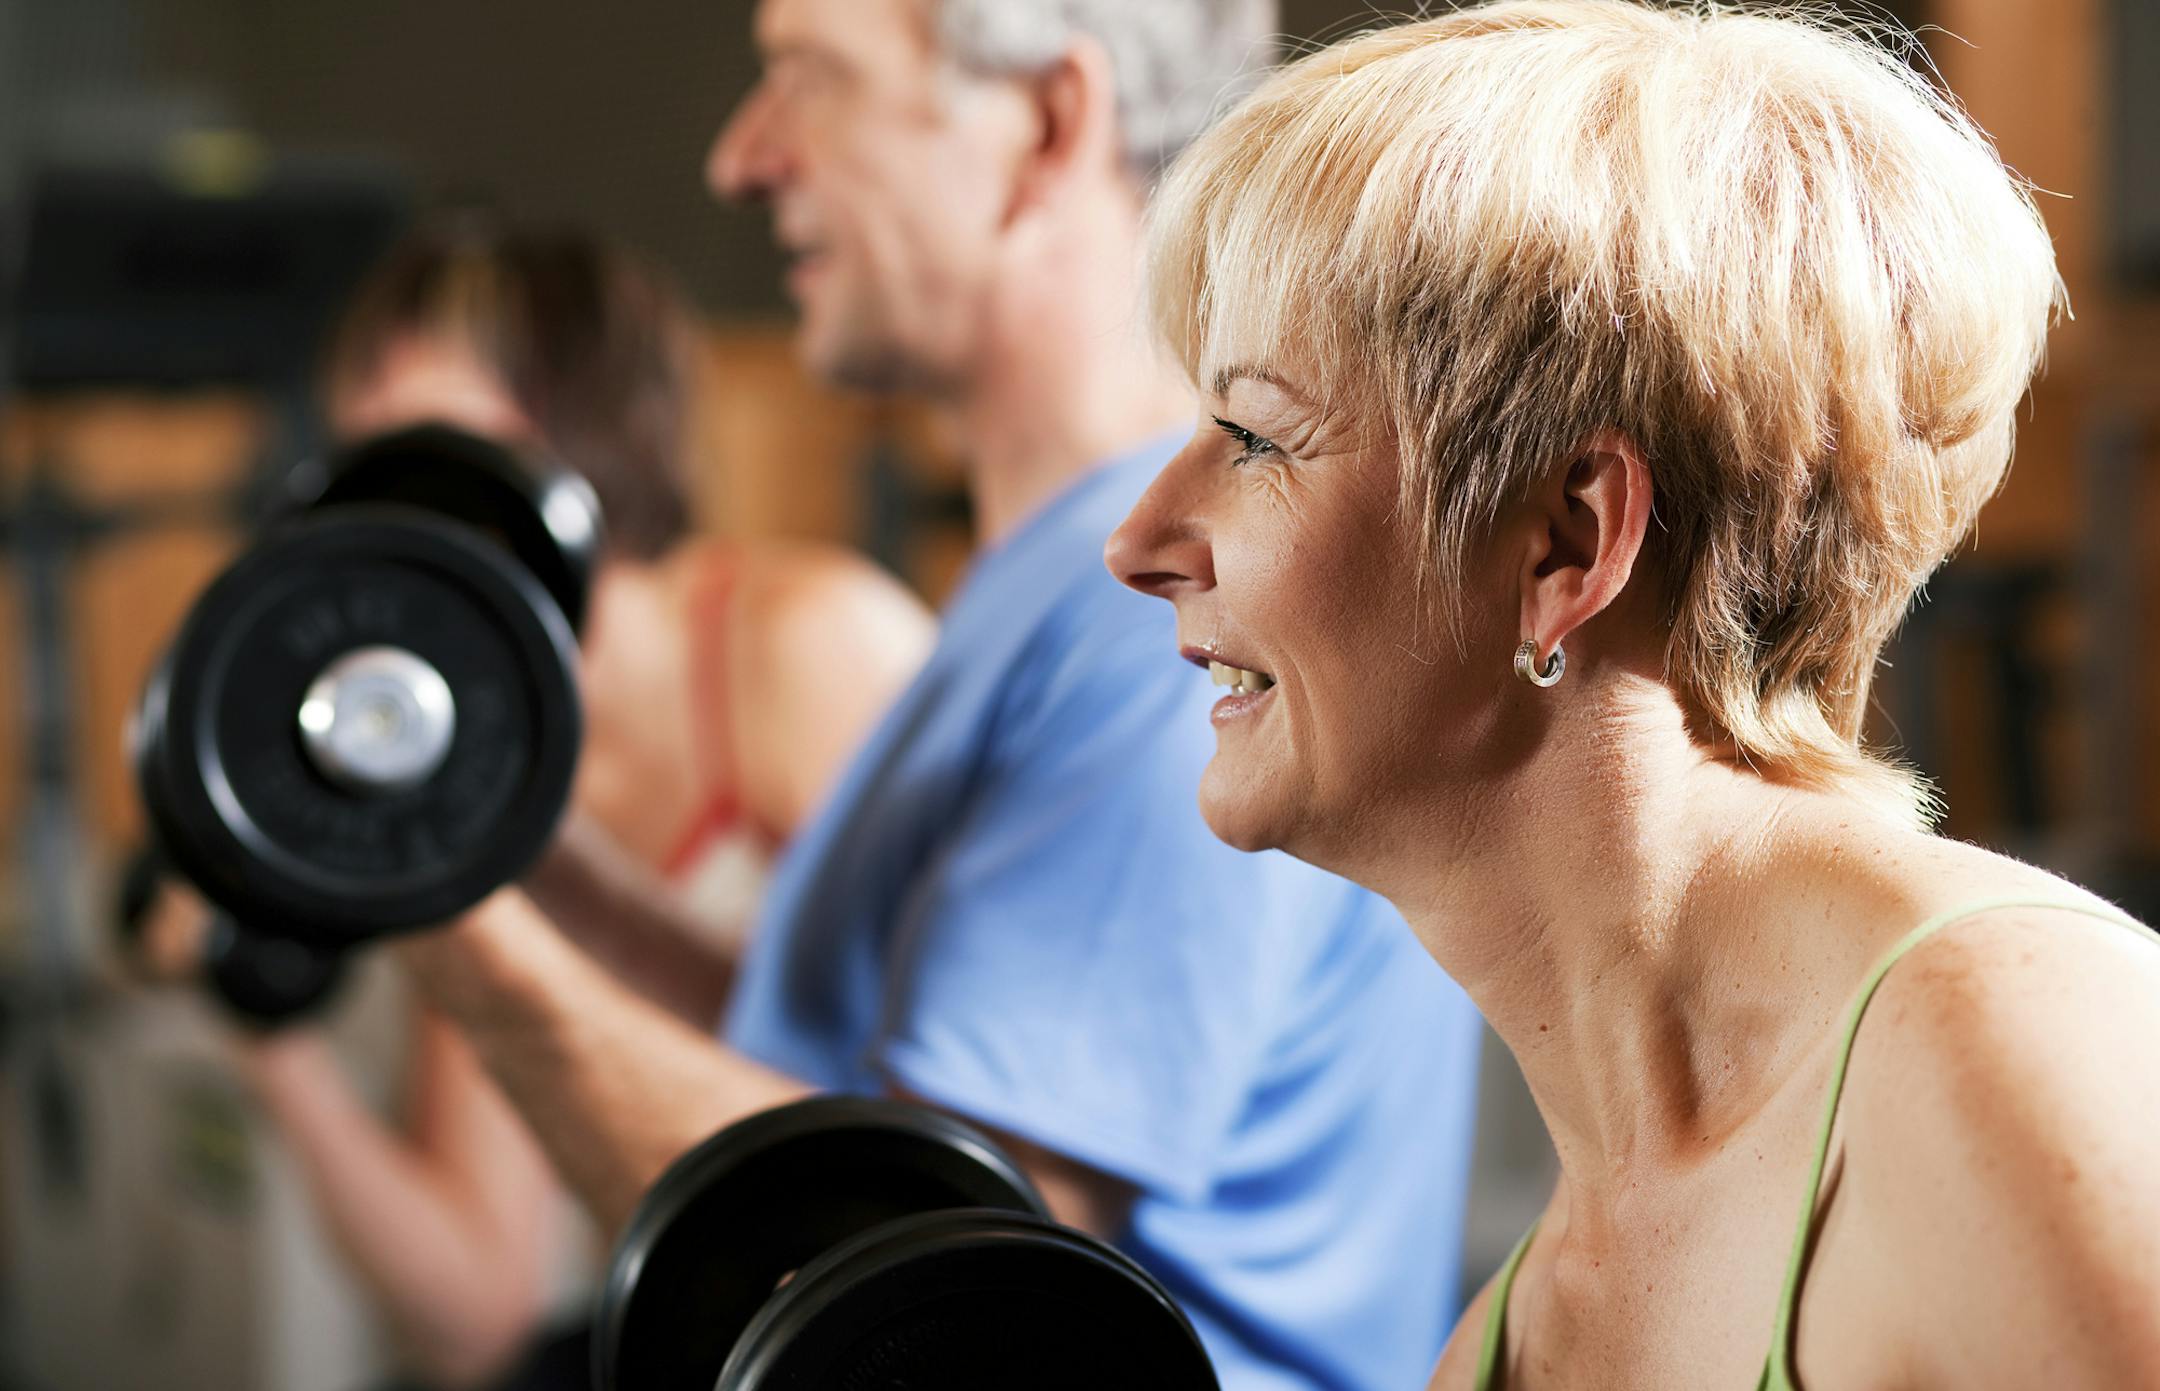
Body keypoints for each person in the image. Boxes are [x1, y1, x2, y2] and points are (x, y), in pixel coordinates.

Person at [395, 3, 1488, 1388]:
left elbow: (932, 1277)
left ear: (1044, 128)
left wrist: (452, 933)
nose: (743, 157)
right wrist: (527, 872)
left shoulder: (1166, 623)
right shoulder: (1054, 580)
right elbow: (866, 1080)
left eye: (813, 81)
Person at [1106, 2, 2160, 1388]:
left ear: (1565, 542)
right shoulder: (1508, 1334)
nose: (1138, 541)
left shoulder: (2009, 1049)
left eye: (1255, 434)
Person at [145, 219, 937, 1391]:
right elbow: (480, 1309)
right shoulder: (463, 781)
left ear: (587, 445)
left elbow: (948, 1161)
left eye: (453, 455)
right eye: (373, 466)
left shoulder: (799, 648)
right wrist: (271, 1039)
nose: (402, 520)